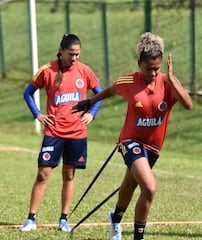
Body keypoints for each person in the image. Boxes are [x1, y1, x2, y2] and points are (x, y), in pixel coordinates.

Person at [72, 32, 193, 240]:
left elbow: (188, 105)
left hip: (153, 147)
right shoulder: (130, 81)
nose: (153, 74)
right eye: (148, 69)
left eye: (157, 69)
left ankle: (115, 219)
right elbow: (111, 90)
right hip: (130, 141)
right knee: (150, 187)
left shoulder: (168, 83)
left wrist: (172, 80)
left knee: (130, 184)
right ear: (139, 64)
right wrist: (90, 102)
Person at [19, 34, 103, 232]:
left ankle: (64, 219)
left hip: (77, 133)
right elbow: (27, 93)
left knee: (69, 175)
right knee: (43, 173)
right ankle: (31, 219)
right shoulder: (47, 71)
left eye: (77, 54)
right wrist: (37, 114)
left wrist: (92, 114)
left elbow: (99, 95)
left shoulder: (84, 71)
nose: (74, 58)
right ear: (61, 50)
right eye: (70, 54)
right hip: (54, 132)